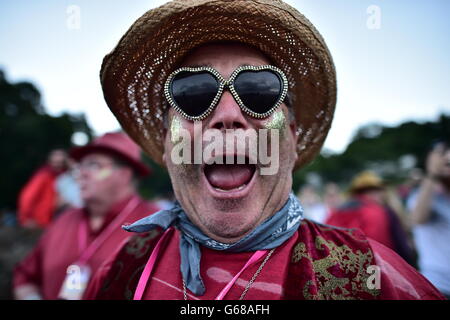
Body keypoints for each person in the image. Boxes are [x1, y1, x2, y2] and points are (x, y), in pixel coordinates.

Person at [85, 0, 443, 300]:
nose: (226, 116)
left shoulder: (370, 278)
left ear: (291, 137)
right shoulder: (123, 268)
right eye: (193, 94)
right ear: (166, 146)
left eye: (259, 92)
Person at [13, 132, 160, 300]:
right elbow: (25, 276)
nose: (81, 173)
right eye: (81, 165)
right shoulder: (64, 220)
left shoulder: (156, 225)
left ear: (124, 175)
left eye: (94, 165)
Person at [326, 171, 416, 267]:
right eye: (379, 190)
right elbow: (380, 245)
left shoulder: (338, 211)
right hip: (377, 268)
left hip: (346, 268)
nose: (382, 194)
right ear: (371, 192)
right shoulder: (377, 212)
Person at [407, 142, 450, 299]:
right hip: (438, 287)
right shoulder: (421, 197)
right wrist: (432, 174)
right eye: (441, 156)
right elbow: (418, 219)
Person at [17, 149, 68, 229]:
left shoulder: (63, 178)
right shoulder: (43, 176)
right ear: (50, 162)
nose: (58, 165)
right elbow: (27, 197)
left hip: (51, 222)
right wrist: (25, 218)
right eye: (56, 162)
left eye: (61, 163)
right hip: (38, 222)